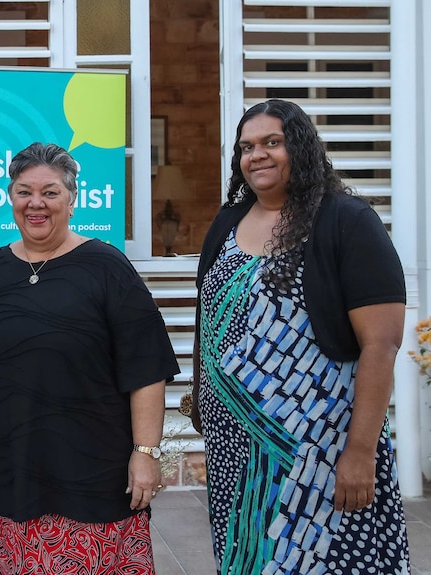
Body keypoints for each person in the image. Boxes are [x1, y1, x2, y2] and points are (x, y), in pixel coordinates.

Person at [192, 98, 411, 573]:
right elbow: (209, 323)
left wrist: (360, 451)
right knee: (249, 557)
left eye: (273, 142)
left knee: (328, 559)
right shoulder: (227, 224)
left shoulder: (346, 221)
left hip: (324, 444)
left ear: (302, 148)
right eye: (247, 146)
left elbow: (382, 344)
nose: (258, 155)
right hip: (239, 446)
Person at [0, 142, 178, 574]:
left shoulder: (108, 268)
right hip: (12, 469)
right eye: (24, 191)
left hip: (94, 474)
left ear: (72, 200)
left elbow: (147, 368)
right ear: (10, 197)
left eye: (50, 192)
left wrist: (145, 452)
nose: (36, 203)